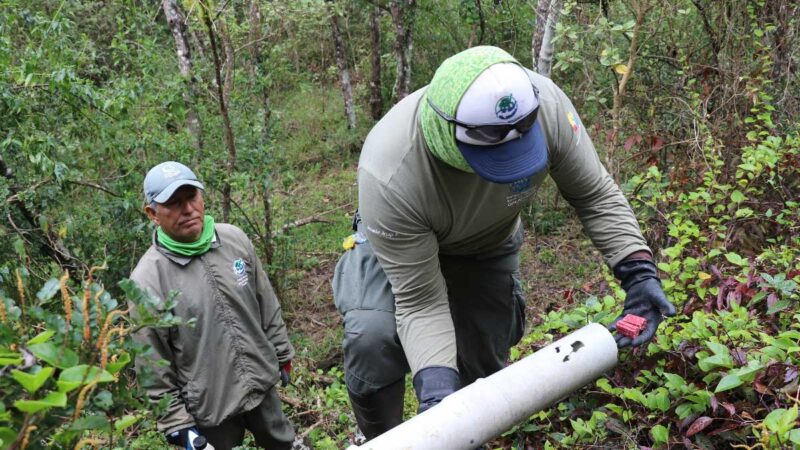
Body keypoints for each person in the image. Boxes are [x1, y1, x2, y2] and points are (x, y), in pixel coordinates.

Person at [332, 46, 677, 440]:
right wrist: (438, 400)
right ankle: (382, 438)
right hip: (401, 250)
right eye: (497, 155)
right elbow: (421, 301)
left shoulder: (545, 108)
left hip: (487, 245)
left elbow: (594, 194)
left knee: (484, 369)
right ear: (448, 135)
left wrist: (638, 273)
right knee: (372, 339)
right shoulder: (391, 171)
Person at [130, 161, 295, 450]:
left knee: (282, 444)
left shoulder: (233, 240)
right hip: (210, 407)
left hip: (260, 380)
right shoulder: (147, 280)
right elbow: (152, 364)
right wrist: (177, 423)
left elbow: (266, 302)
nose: (188, 209)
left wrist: (282, 353)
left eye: (192, 197)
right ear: (152, 213)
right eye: (174, 203)